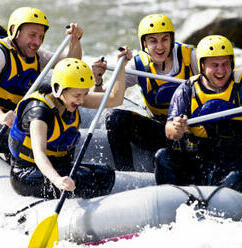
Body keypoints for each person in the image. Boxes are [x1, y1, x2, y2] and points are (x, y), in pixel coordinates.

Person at [0, 7, 84, 155]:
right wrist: (1, 117)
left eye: (41, 36)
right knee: (34, 135)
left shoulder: (36, 55)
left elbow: (71, 64)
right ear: (14, 31)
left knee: (47, 93)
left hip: (10, 117)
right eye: (32, 35)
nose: (37, 42)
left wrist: (75, 40)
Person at [9, 49, 132, 199]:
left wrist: (122, 66)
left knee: (105, 174)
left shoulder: (70, 98)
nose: (81, 100)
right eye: (77, 95)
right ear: (58, 89)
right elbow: (39, 154)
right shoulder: (38, 112)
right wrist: (57, 180)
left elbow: (115, 99)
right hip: (28, 173)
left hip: (59, 166)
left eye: (85, 94)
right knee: (83, 178)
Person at [92, 14, 198, 171]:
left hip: (191, 131)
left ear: (172, 39)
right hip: (160, 131)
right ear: (144, 43)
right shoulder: (138, 65)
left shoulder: (192, 57)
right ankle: (126, 174)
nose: (160, 46)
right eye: (153, 41)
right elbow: (105, 98)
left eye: (164, 39)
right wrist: (98, 79)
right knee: (115, 118)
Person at [154, 35, 242, 192]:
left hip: (234, 159)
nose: (221, 71)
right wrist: (177, 128)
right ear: (202, 65)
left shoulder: (239, 85)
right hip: (198, 158)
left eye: (225, 64)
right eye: (214, 65)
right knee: (163, 156)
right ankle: (173, 201)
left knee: (236, 176)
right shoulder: (187, 90)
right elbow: (169, 130)